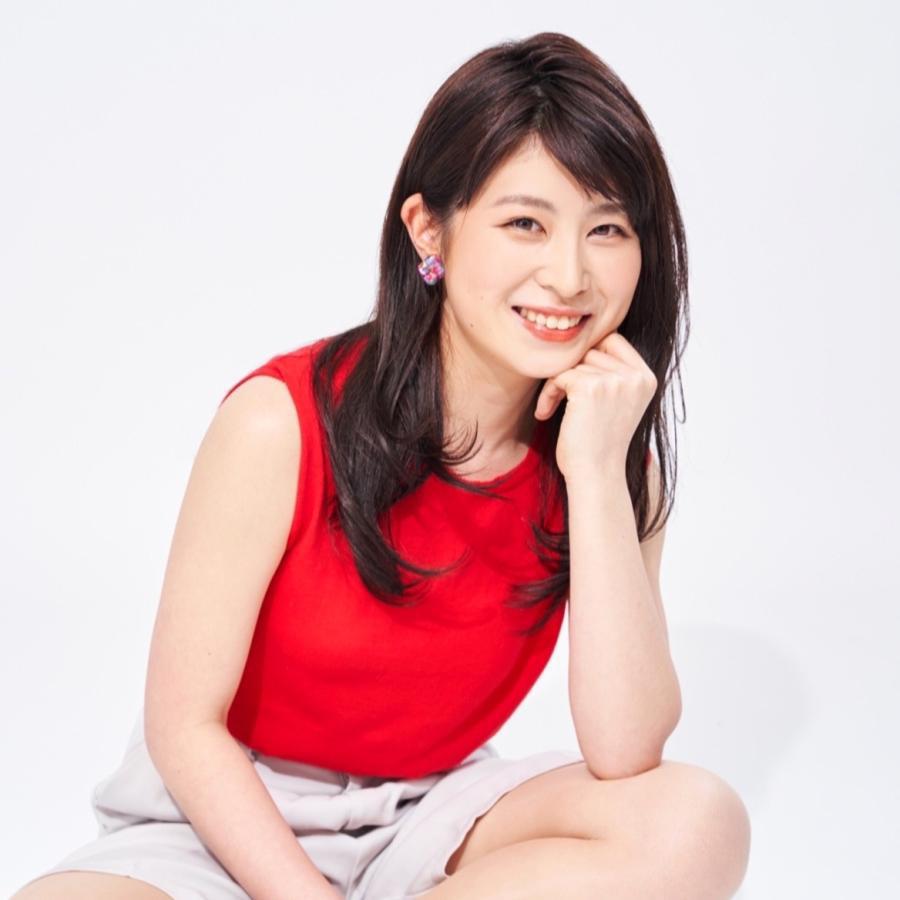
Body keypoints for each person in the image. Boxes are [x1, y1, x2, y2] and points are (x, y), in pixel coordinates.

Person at [13, 30, 751, 900]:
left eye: (608, 229)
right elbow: (185, 728)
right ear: (428, 229)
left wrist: (594, 472)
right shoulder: (280, 422)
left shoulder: (609, 458)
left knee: (696, 821)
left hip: (431, 810)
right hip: (221, 814)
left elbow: (626, 750)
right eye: (525, 223)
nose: (569, 274)